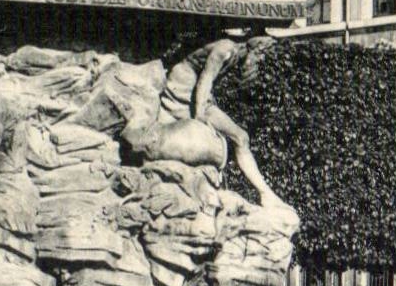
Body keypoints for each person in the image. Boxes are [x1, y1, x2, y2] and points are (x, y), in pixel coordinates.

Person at [122, 30, 299, 239]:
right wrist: (199, 121)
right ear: (257, 48)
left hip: (195, 95)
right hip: (183, 95)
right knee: (240, 138)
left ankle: (265, 193)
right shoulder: (225, 49)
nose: (259, 64)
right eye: (261, 58)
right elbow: (204, 82)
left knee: (240, 138)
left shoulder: (235, 54)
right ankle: (265, 194)